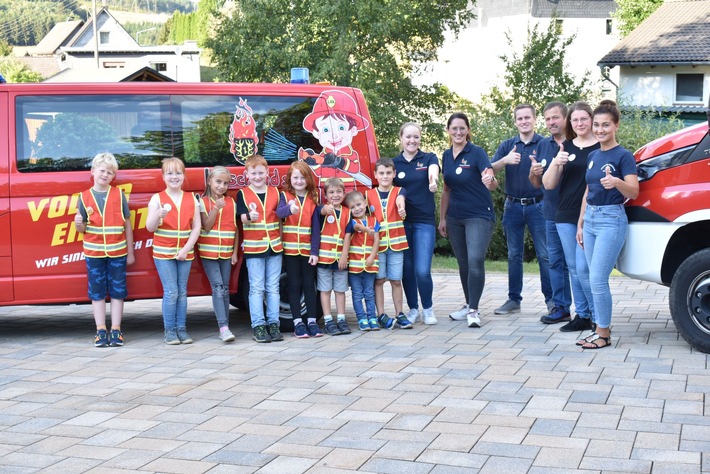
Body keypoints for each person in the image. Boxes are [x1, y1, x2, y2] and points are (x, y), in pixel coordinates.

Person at [576, 100, 639, 349]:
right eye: (596, 125)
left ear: (615, 126)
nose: (600, 129)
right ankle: (600, 328)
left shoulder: (624, 156)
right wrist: (580, 222)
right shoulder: (593, 155)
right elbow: (588, 190)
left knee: (598, 279)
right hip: (590, 219)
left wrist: (616, 182)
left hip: (611, 220)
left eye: (605, 125)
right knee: (592, 277)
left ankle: (603, 334)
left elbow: (633, 191)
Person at [543, 101, 599, 333]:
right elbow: (548, 184)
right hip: (565, 214)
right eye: (575, 120)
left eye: (583, 119)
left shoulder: (601, 147)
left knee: (586, 268)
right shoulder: (566, 147)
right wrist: (556, 163)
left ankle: (597, 316)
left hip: (591, 214)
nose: (579, 124)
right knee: (573, 267)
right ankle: (583, 316)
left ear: (591, 120)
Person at [491, 104, 552, 315]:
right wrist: (505, 160)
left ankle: (551, 301)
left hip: (539, 205)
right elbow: (489, 170)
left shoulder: (545, 144)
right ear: (515, 122)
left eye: (528, 117)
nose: (524, 121)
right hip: (513, 205)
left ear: (535, 120)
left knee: (545, 255)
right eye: (520, 118)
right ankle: (513, 300)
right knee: (514, 255)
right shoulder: (508, 145)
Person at [439, 113, 498, 328]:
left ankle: (474, 309)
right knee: (463, 263)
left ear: (468, 130)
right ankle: (468, 304)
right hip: (455, 217)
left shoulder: (477, 153)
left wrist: (490, 180)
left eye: (462, 128)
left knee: (475, 260)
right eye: (454, 128)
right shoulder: (445, 156)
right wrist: (442, 218)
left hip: (479, 215)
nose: (458, 132)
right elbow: (446, 189)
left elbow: (491, 181)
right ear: (448, 130)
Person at [74, 152, 135, 347]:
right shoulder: (83, 197)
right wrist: (77, 224)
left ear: (114, 176)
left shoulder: (119, 194)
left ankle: (116, 329)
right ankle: (101, 330)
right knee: (97, 293)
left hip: (118, 252)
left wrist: (131, 252)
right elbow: (82, 229)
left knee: (118, 292)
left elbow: (127, 224)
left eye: (110, 172)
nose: (105, 175)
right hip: (94, 254)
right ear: (92, 171)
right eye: (102, 170)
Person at [146, 157, 201, 345]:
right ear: (163, 176)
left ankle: (182, 330)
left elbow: (196, 228)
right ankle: (169, 331)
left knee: (182, 292)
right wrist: (157, 214)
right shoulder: (157, 199)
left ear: (184, 175)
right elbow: (150, 227)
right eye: (170, 173)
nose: (174, 177)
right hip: (163, 253)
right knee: (171, 292)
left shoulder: (192, 198)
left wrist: (186, 249)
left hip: (185, 253)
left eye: (178, 173)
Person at [529, 102, 572, 324]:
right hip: (551, 213)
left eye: (555, 117)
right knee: (555, 261)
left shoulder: (577, 143)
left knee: (576, 264)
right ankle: (561, 307)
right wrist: (534, 172)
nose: (551, 122)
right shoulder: (543, 146)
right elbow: (538, 184)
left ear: (566, 118)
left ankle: (588, 311)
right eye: (547, 119)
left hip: (575, 214)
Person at [393, 122, 440, 325]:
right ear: (401, 138)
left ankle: (427, 308)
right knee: (407, 269)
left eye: (416, 137)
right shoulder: (394, 163)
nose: (412, 141)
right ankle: (413, 309)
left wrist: (433, 181)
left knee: (422, 270)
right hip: (401, 223)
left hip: (424, 222)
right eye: (408, 137)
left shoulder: (428, 157)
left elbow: (433, 170)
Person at [237, 154, 284, 343]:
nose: (257, 176)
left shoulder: (275, 192)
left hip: (274, 246)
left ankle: (274, 323)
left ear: (267, 173)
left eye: (261, 173)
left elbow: (280, 217)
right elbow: (241, 217)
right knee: (256, 288)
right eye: (253, 173)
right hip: (254, 248)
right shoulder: (243, 193)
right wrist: (249, 216)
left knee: (273, 288)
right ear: (247, 174)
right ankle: (258, 325)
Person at [277, 160, 322, 338]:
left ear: (308, 179)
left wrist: (315, 252)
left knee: (309, 286)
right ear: (290, 179)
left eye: (303, 177)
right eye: (295, 177)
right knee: (294, 285)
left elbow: (316, 230)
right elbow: (279, 214)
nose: (299, 181)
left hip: (307, 252)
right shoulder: (285, 196)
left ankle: (311, 322)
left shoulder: (313, 200)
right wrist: (289, 209)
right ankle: (298, 323)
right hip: (290, 251)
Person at [366, 158, 412, 330]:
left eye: (388, 173)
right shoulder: (368, 195)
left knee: (396, 280)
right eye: (381, 173)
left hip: (396, 243)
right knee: (379, 281)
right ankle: (381, 315)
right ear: (376, 175)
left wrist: (402, 208)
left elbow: (401, 200)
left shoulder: (400, 190)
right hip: (377, 246)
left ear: (394, 174)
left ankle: (400, 313)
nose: (385, 176)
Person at [298, 90, 372, 190]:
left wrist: (339, 162)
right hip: (326, 194)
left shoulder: (352, 154)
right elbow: (319, 172)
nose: (335, 135)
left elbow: (355, 168)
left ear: (353, 130)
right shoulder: (323, 156)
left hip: (347, 193)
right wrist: (313, 163)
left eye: (341, 128)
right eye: (325, 129)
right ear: (317, 134)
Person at [198, 166, 238, 343]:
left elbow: (236, 229)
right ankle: (223, 327)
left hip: (227, 253)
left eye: (225, 183)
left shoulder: (232, 202)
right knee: (218, 287)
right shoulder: (202, 201)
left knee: (225, 288)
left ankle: (225, 326)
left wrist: (235, 253)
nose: (222, 186)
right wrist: (215, 208)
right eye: (218, 182)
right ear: (209, 181)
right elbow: (206, 226)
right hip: (209, 253)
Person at [314, 177, 352, 335]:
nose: (335, 195)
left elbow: (348, 235)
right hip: (324, 260)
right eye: (331, 192)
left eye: (338, 192)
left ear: (344, 193)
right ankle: (328, 320)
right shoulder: (322, 210)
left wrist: (344, 255)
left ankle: (341, 319)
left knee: (340, 289)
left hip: (340, 260)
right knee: (325, 290)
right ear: (325, 195)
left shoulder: (347, 213)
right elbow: (319, 212)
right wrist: (323, 210)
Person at [339, 191, 380, 331]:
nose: (357, 209)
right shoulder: (352, 222)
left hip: (370, 264)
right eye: (352, 207)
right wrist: (365, 229)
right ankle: (361, 318)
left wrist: (372, 256)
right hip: (355, 266)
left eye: (359, 204)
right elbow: (356, 228)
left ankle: (372, 317)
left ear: (365, 203)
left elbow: (376, 240)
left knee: (369, 292)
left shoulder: (374, 221)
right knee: (357, 294)